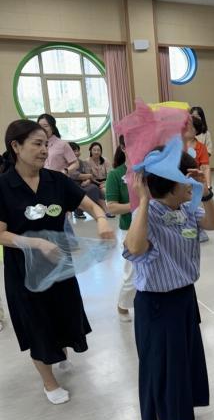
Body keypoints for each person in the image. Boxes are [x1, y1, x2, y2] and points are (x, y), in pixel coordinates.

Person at [0, 119, 114, 404]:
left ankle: (60, 351)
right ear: (16, 146)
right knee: (37, 324)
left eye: (46, 144)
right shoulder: (3, 186)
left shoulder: (56, 180)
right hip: (25, 273)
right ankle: (49, 383)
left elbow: (89, 205)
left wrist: (101, 219)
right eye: (37, 144)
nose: (44, 150)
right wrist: (35, 243)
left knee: (63, 315)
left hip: (59, 267)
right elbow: (0, 234)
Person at [124, 147, 214, 420]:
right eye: (186, 178)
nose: (191, 182)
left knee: (182, 360)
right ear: (169, 181)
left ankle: (178, 414)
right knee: (163, 366)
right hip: (157, 303)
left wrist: (205, 191)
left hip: (184, 298)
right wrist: (143, 200)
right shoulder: (147, 214)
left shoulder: (186, 209)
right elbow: (135, 248)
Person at [106, 136, 135, 323]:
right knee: (132, 272)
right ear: (123, 148)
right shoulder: (115, 175)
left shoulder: (149, 171)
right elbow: (112, 207)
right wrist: (138, 205)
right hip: (129, 229)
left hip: (154, 226)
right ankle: (122, 305)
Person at [68, 141, 109, 219]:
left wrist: (88, 180)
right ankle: (80, 210)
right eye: (74, 151)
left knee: (94, 188)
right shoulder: (67, 163)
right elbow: (75, 175)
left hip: (85, 183)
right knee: (92, 189)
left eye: (78, 151)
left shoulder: (82, 162)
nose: (77, 153)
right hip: (73, 185)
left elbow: (88, 175)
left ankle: (104, 209)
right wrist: (89, 176)